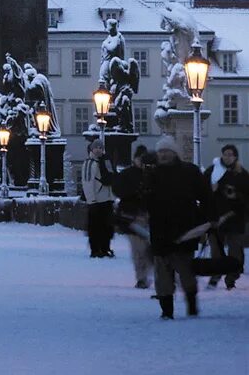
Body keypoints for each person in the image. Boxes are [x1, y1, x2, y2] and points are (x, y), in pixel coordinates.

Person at [145, 136, 211, 319]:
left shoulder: (190, 172)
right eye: (160, 151)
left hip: (184, 231)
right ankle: (167, 311)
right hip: (159, 231)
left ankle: (191, 304)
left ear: (174, 153)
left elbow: (205, 196)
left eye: (166, 151)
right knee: (162, 275)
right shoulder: (152, 174)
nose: (163, 154)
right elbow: (145, 200)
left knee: (186, 272)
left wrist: (206, 220)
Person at [204, 143, 249, 289]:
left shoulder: (241, 173)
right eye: (225, 154)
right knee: (216, 250)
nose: (227, 157)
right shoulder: (212, 171)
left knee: (234, 251)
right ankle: (215, 276)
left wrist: (236, 195)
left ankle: (231, 279)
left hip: (235, 218)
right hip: (215, 218)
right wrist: (211, 190)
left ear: (235, 157)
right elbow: (202, 192)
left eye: (230, 154)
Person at [112, 144, 153, 288]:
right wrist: (134, 192)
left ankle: (150, 273)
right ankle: (141, 277)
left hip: (150, 216)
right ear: (134, 159)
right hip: (133, 217)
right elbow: (117, 190)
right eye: (139, 158)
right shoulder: (127, 174)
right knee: (138, 249)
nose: (141, 161)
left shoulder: (152, 174)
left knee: (151, 248)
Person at [81, 139, 116, 258]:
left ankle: (105, 248)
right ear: (91, 149)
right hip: (97, 200)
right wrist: (91, 200)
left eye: (100, 148)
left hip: (107, 199)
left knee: (107, 227)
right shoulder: (89, 163)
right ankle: (95, 249)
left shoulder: (105, 162)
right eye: (96, 148)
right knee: (95, 227)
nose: (98, 150)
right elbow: (87, 182)